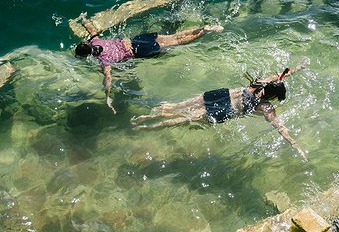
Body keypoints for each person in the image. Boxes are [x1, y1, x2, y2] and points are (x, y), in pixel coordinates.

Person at [131, 67, 307, 160]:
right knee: (184, 119)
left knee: (179, 106)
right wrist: (295, 144)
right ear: (274, 96)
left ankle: (149, 115)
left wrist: (297, 69)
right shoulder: (266, 106)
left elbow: (279, 75)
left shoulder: (261, 82)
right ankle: (149, 125)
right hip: (224, 110)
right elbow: (280, 127)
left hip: (221, 94)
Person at [74, 19, 223, 113]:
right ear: (87, 44)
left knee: (177, 43)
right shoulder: (96, 41)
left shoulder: (103, 60)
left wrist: (107, 96)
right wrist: (83, 20)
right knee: (173, 36)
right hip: (137, 40)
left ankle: (203, 34)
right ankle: (203, 28)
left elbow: (108, 78)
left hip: (140, 51)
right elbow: (91, 30)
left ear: (88, 55)